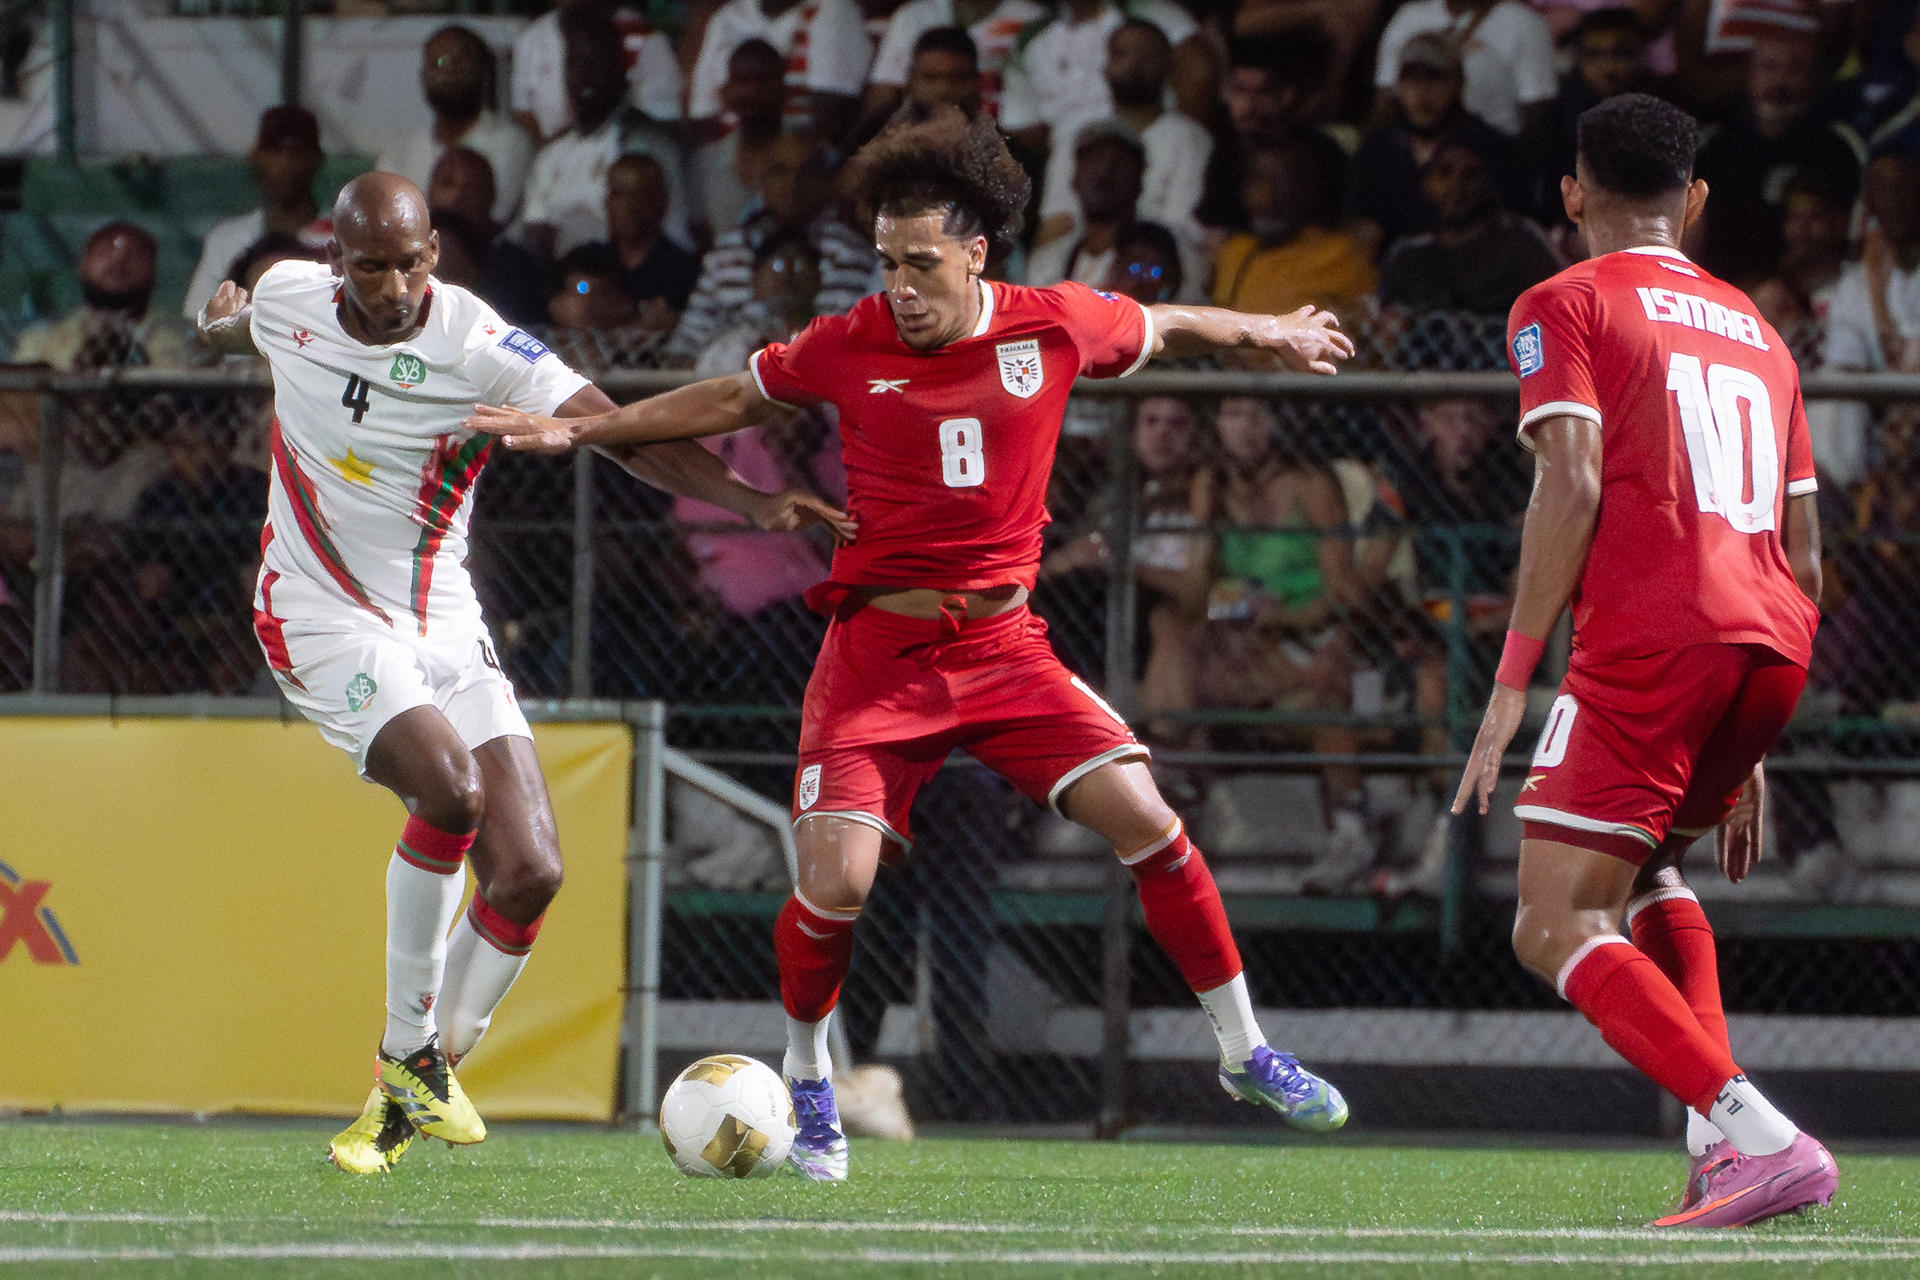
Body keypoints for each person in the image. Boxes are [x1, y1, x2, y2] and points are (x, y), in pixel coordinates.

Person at [466, 107, 1357, 1181]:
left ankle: (1245, 1049)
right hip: (877, 657)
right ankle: (808, 1075)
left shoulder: (1059, 323)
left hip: (1006, 649)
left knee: (1152, 822)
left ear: (976, 251)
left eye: (922, 262)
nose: (900, 283)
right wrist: (584, 427)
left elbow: (1168, 323)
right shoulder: (847, 341)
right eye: (888, 261)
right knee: (835, 880)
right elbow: (723, 395)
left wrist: (1273, 330)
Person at [196, 171, 849, 1176]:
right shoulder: (289, 296)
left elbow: (617, 429)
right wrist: (219, 315)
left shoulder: (474, 342)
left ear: (432, 255)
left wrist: (745, 498)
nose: (396, 282)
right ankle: (408, 1051)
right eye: (371, 264)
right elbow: (240, 325)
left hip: (443, 618)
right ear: (341, 262)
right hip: (318, 612)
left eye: (413, 260)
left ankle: (410, 1092)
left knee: (533, 868)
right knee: (450, 791)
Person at [1453, 93, 1834, 1228]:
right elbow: (1806, 551)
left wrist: (1514, 676)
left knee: (1552, 919)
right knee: (1651, 872)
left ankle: (1759, 1137)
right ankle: (1719, 1145)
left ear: (1572, 193)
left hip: (1655, 644)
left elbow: (1568, 483)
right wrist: (1740, 730)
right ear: (1697, 200)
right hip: (1768, 643)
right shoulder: (1762, 330)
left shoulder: (1561, 300)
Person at [180, 106, 333, 321]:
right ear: (256, 156)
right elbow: (197, 316)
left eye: (296, 151)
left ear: (316, 158)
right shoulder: (227, 238)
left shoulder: (345, 236)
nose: (286, 163)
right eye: (275, 151)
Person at [376, 25, 532, 227]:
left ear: (483, 73)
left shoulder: (510, 142)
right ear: (422, 75)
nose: (449, 71)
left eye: (461, 63)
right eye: (438, 62)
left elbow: (489, 220)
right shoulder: (399, 154)